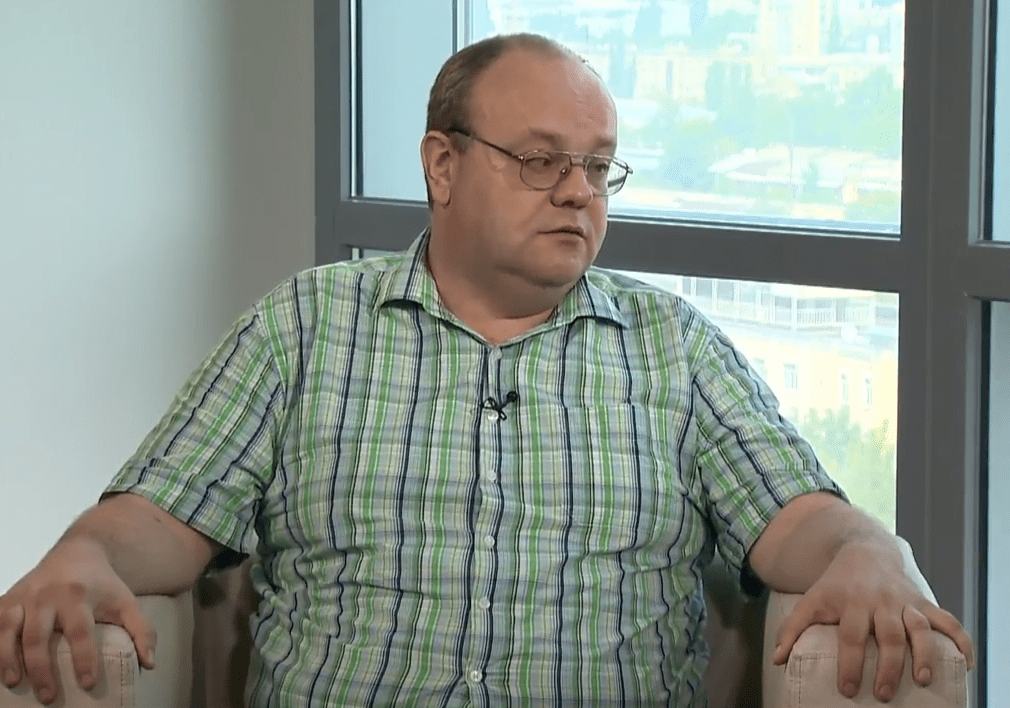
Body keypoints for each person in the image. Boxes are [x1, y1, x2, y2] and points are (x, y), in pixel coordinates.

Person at [0, 33, 974, 708]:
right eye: (541, 160)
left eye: (597, 167)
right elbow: (161, 518)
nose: (577, 193)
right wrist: (86, 552)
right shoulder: (303, 326)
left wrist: (870, 550)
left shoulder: (672, 346)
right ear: (442, 165)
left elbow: (798, 522)